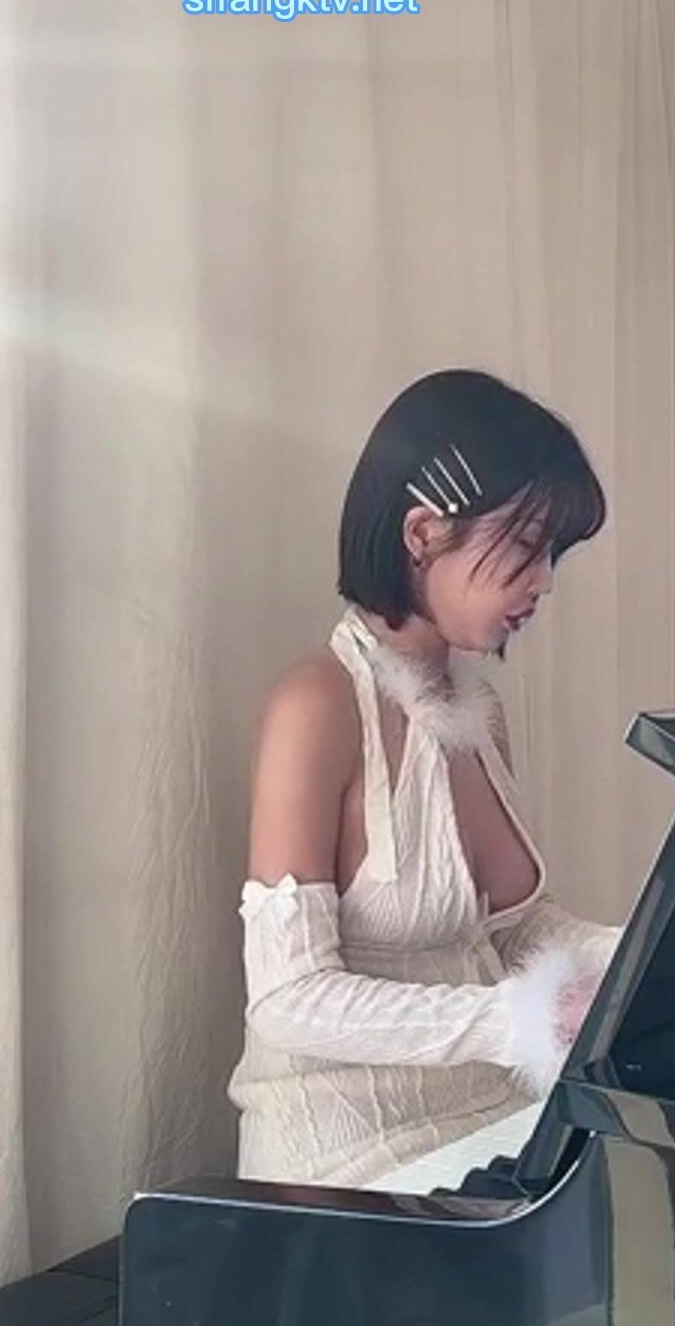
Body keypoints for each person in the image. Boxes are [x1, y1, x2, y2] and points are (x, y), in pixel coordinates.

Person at [228, 368, 621, 1188]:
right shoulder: (316, 705)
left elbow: (512, 932)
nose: (544, 580)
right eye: (527, 546)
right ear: (423, 533)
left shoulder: (474, 712)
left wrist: (650, 950)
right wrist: (510, 1021)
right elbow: (288, 998)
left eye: (552, 553)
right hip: (349, 1160)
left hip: (490, 1121)